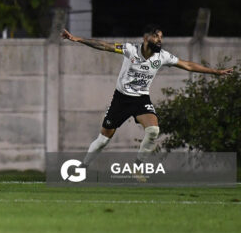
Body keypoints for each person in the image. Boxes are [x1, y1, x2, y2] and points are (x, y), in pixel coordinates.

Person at [61, 25, 234, 167]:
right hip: (121, 99)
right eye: (156, 36)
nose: (160, 40)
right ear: (145, 38)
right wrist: (78, 39)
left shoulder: (162, 56)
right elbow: (104, 45)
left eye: (161, 37)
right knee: (103, 140)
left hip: (141, 99)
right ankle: (82, 167)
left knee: (153, 131)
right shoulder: (130, 50)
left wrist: (215, 72)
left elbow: (187, 65)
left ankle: (137, 167)